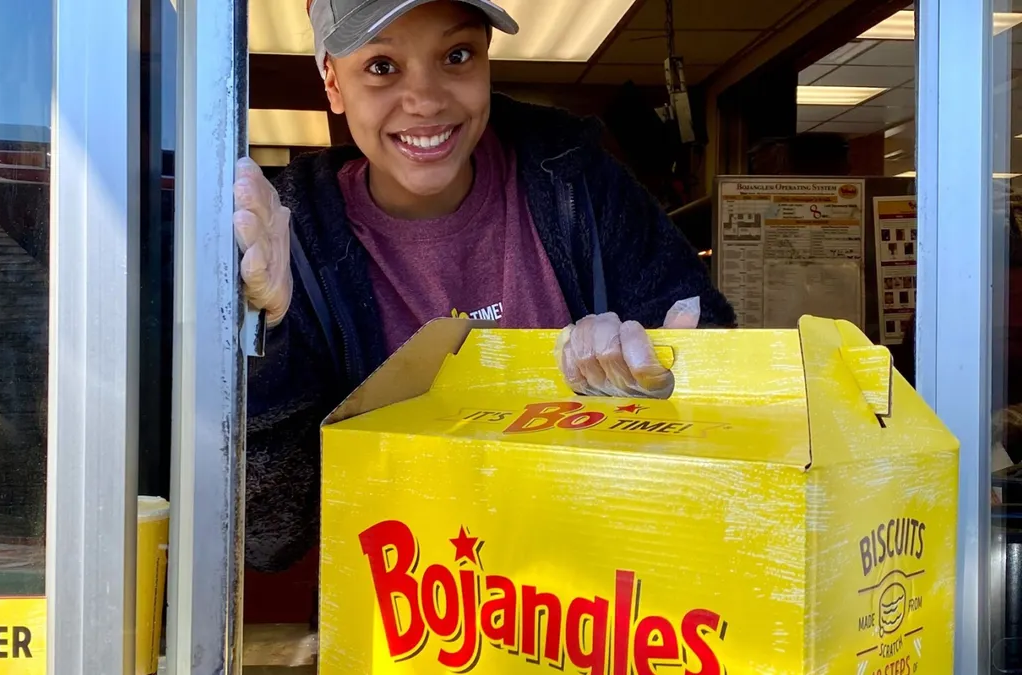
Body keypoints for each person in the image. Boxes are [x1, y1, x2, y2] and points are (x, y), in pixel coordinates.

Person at [235, 0, 735, 572]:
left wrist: (658, 376)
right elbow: (269, 539)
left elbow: (711, 371)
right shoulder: (292, 242)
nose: (425, 100)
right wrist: (266, 342)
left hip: (603, 598)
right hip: (404, 609)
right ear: (333, 83)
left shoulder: (579, 182)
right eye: (381, 67)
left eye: (456, 55)